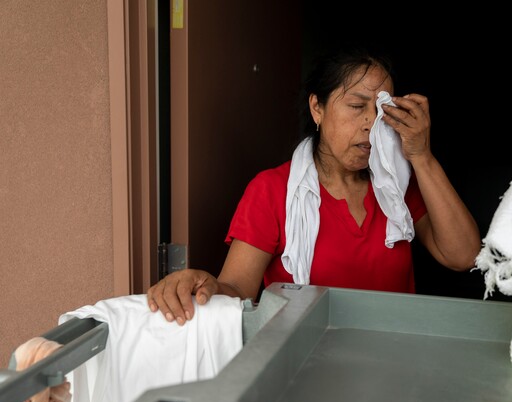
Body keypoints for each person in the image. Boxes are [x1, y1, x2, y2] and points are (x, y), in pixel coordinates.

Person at [147, 46, 481, 325]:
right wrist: (203, 284)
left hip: (393, 360)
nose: (370, 123)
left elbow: (463, 255)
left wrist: (421, 156)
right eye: (356, 106)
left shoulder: (395, 187)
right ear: (317, 108)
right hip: (304, 365)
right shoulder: (272, 190)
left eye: (381, 110)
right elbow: (238, 288)